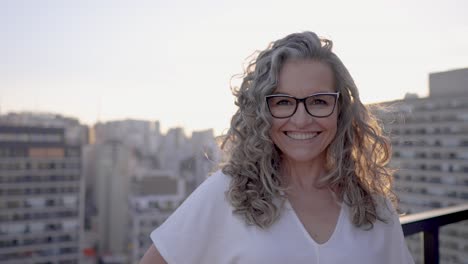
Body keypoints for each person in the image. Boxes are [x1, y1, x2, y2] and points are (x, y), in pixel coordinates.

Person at [140, 31, 414, 264]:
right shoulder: (226, 193)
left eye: (318, 101)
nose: (302, 119)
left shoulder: (373, 207)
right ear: (262, 111)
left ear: (340, 109)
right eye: (283, 102)